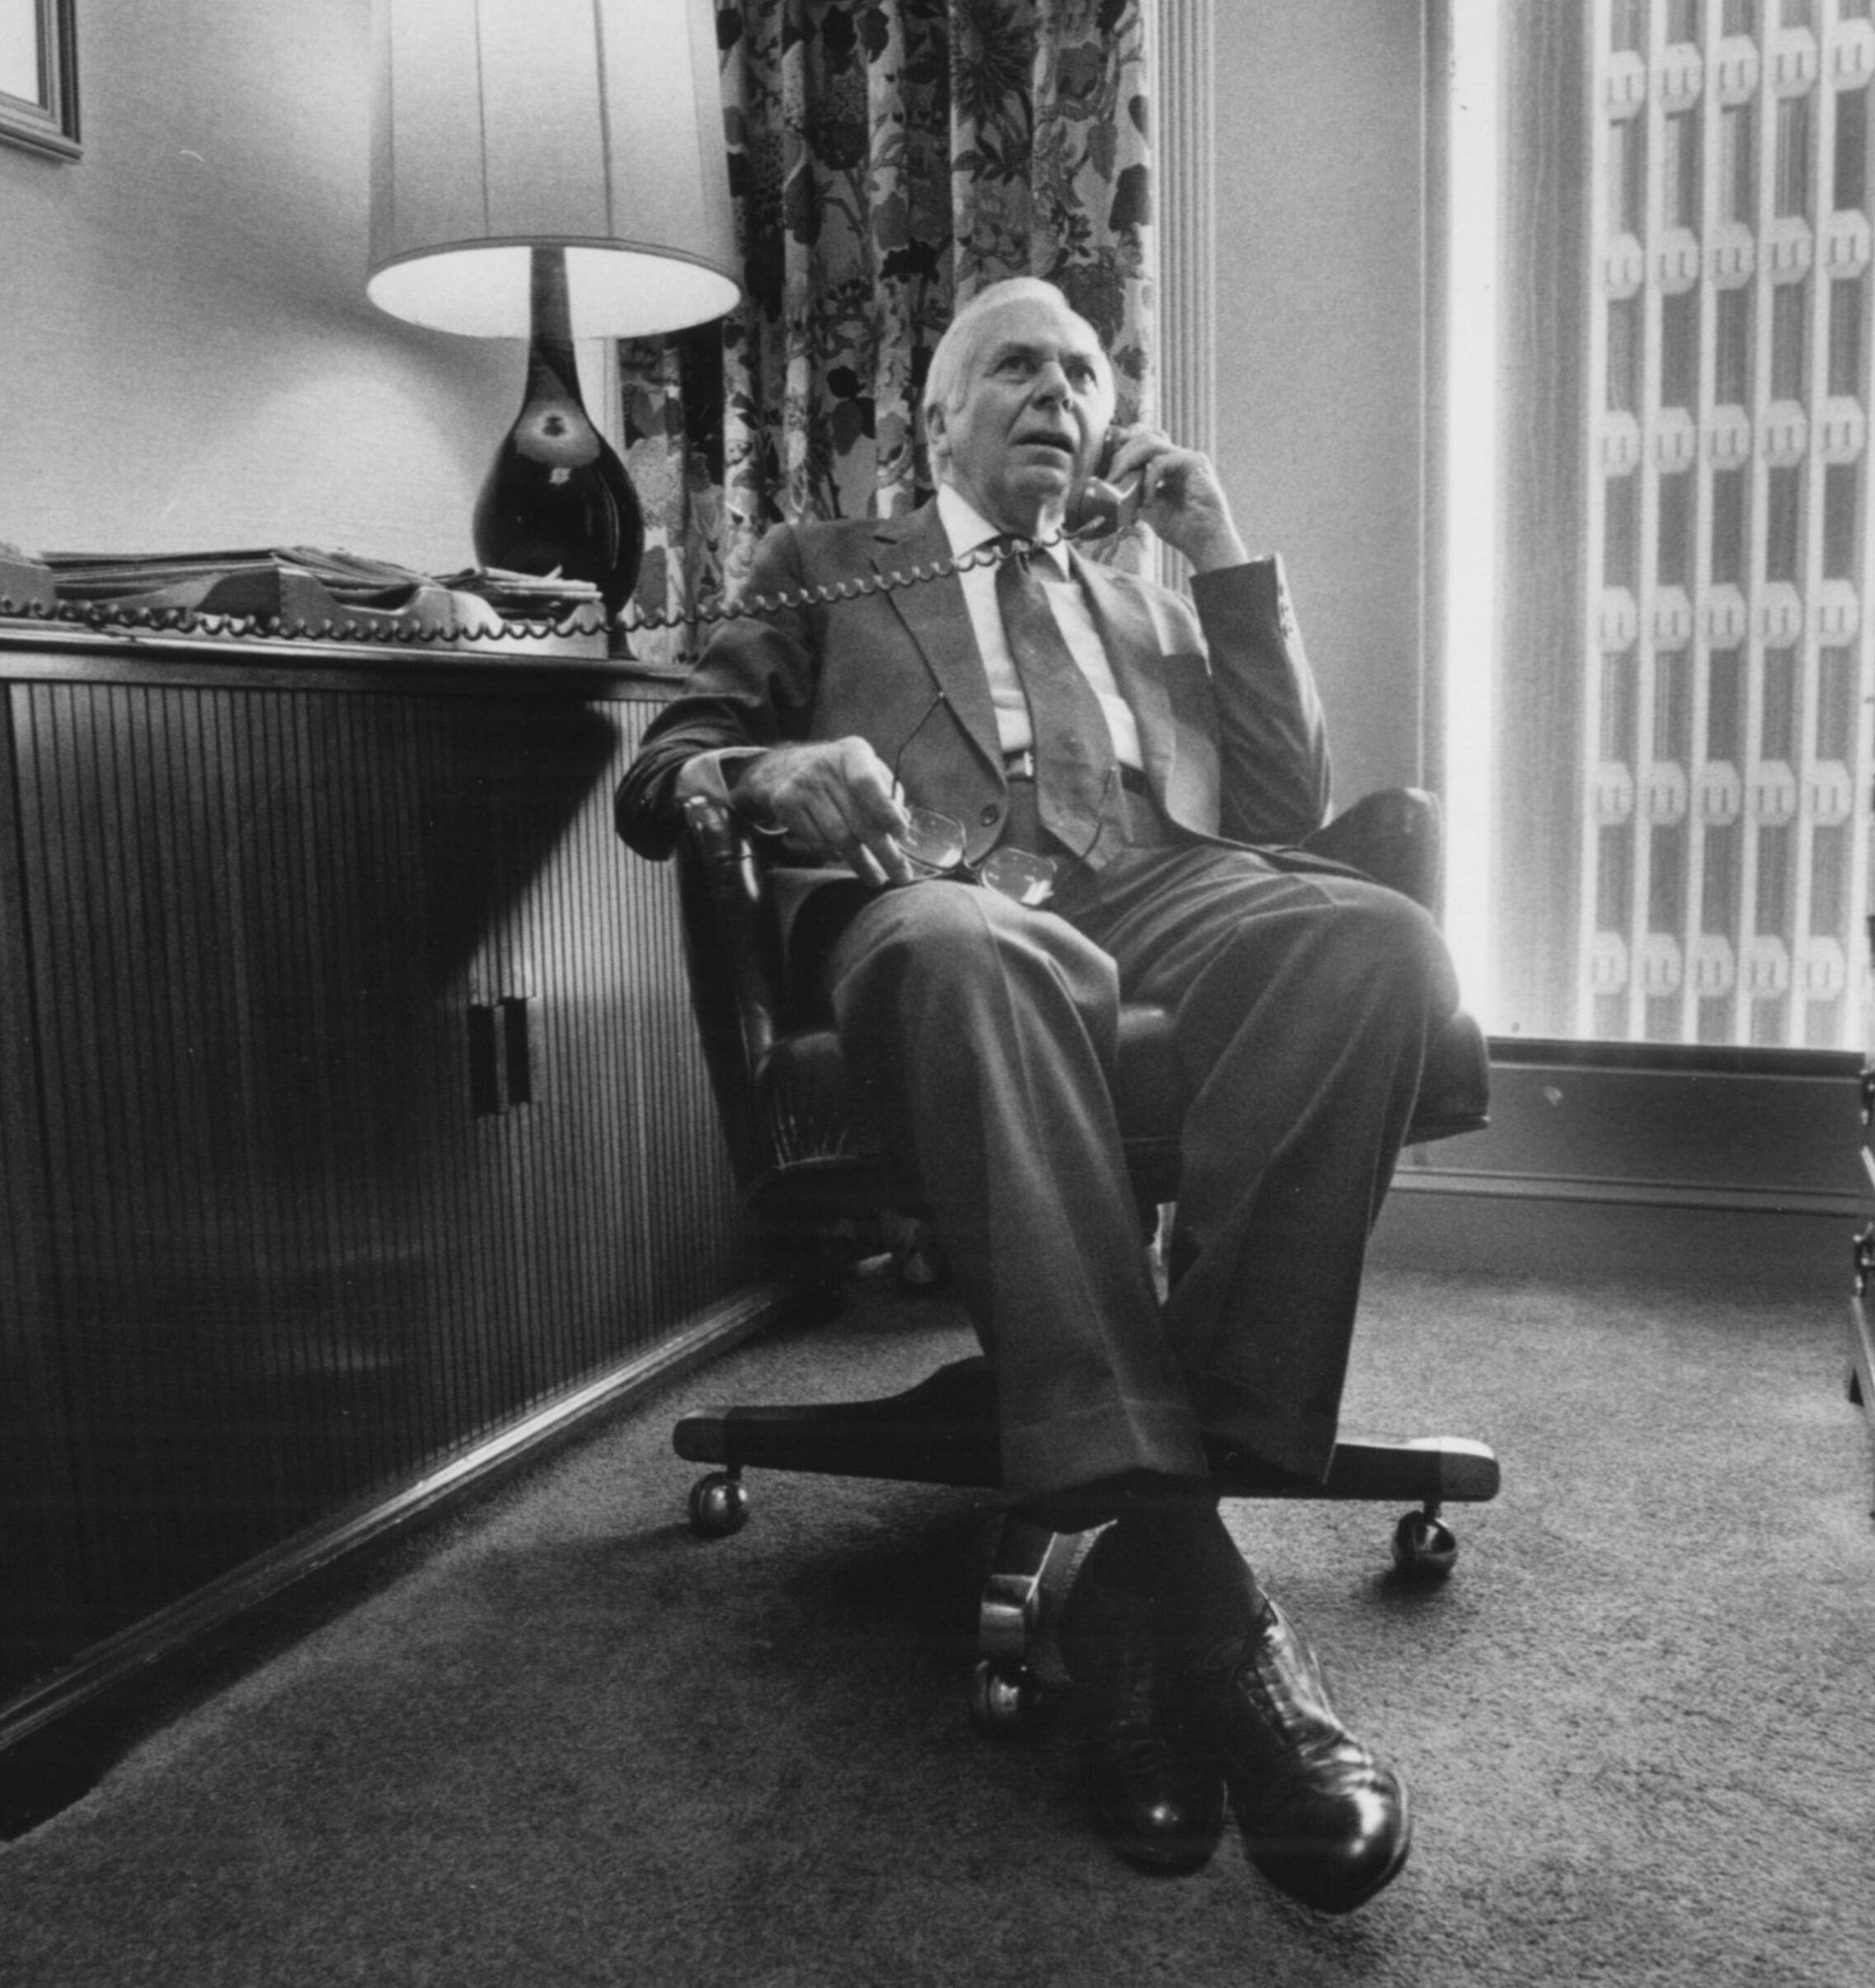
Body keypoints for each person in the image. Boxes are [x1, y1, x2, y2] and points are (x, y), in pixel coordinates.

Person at [615, 276, 1459, 1914]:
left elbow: (1286, 808)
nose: (1059, 392)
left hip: (1157, 887)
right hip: (940, 885)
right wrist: (771, 768)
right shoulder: (826, 562)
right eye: (1017, 365)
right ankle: (1201, 1601)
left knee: (1373, 939)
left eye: (1083, 370)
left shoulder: (1143, 589)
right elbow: (667, 769)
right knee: (966, 951)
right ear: (940, 419)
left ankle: (1149, 1550)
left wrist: (1222, 559)